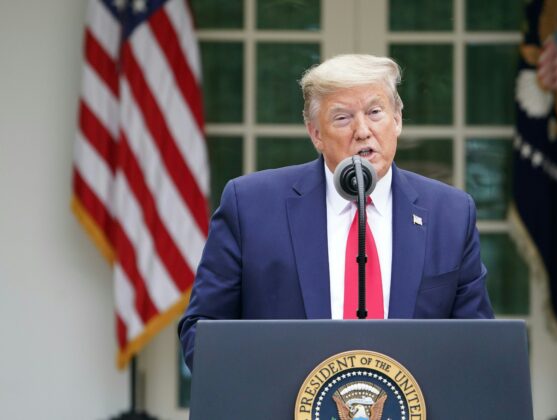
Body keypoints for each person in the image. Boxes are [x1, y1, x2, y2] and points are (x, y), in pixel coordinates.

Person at [178, 54, 494, 370]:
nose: (362, 131)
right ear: (315, 133)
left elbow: (477, 347)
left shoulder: (450, 214)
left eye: (375, 112)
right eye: (342, 118)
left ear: (397, 119)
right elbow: (201, 334)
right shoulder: (249, 206)